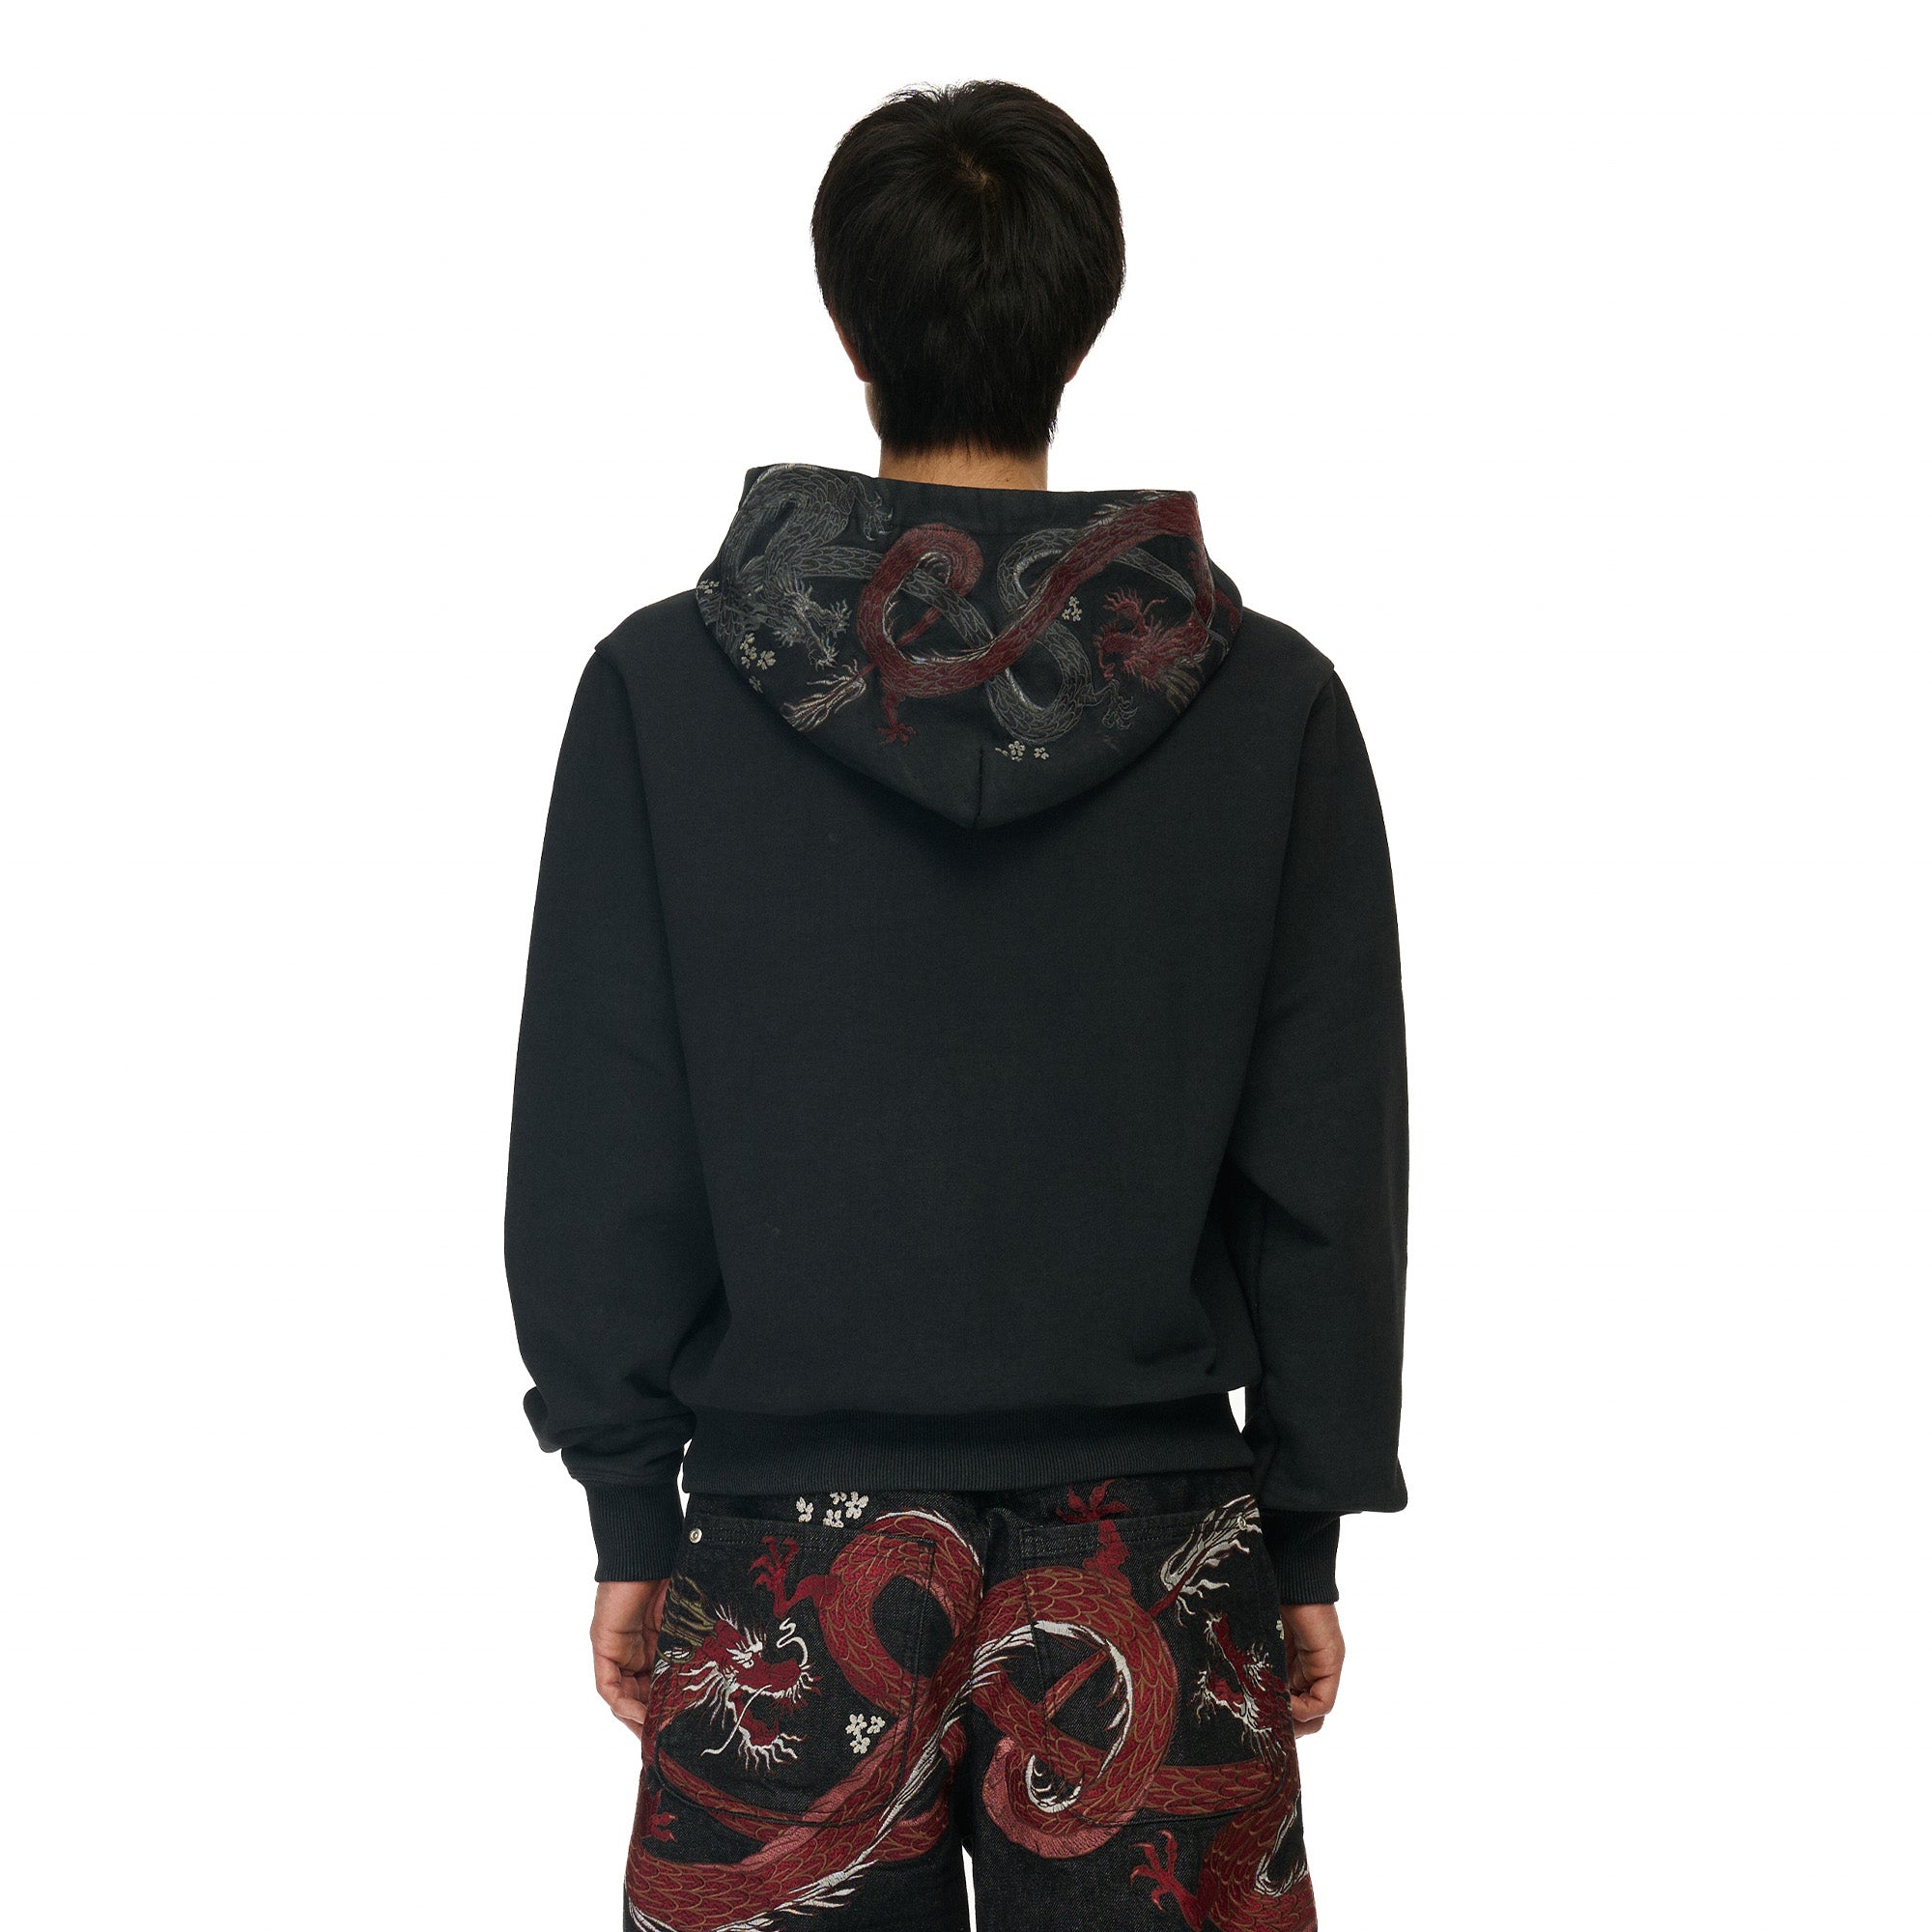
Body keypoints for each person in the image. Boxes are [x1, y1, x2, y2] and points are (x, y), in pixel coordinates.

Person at [504, 78, 1406, 1932]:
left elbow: (603, 1130)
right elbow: (1326, 1159)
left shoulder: (664, 694)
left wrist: (630, 1507)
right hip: (1157, 1551)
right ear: (1084, 321)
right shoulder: (1268, 707)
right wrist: (1304, 1526)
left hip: (780, 1562)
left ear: (849, 326)